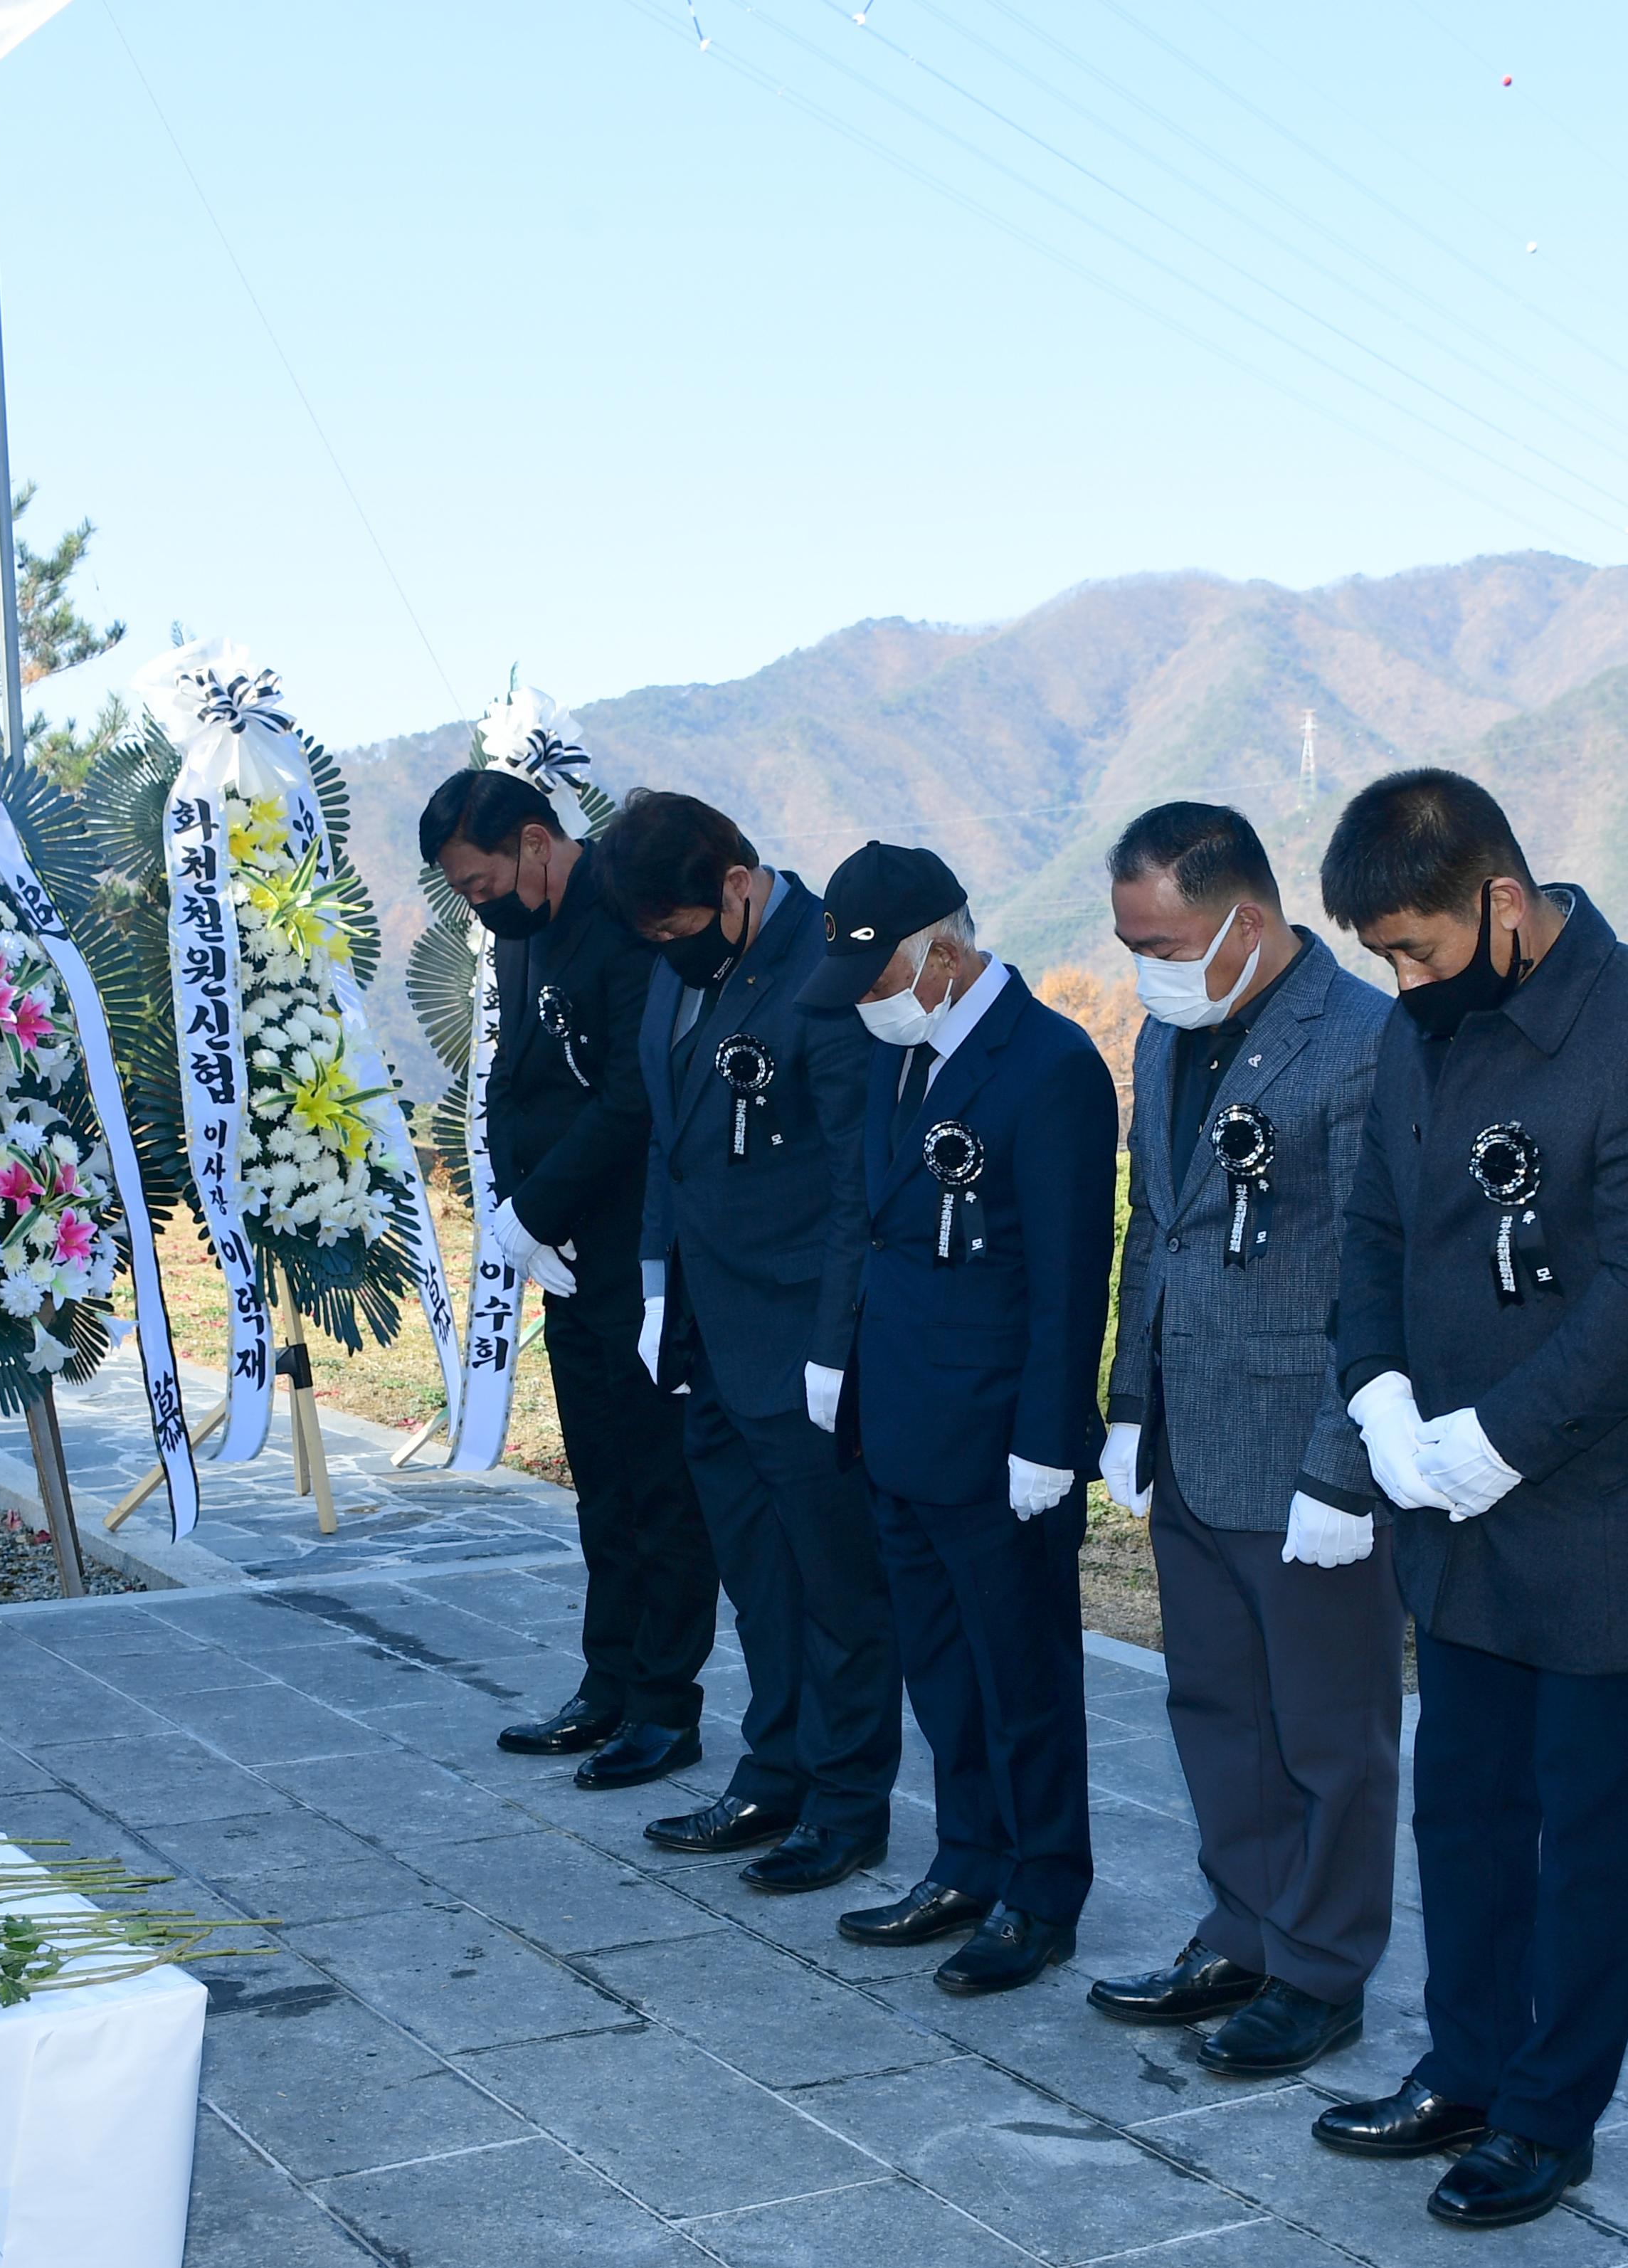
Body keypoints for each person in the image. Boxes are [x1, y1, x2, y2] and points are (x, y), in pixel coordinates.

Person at [1318, 768, 1628, 2228]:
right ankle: (1467, 2062)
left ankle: (1552, 2111)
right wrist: (1374, 1383)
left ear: (1502, 899)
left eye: (1420, 946)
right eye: (1382, 956)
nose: (1402, 978)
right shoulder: (1421, 1035)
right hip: (1450, 1509)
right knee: (1466, 1813)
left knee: (1593, 1837)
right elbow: (1372, 1222)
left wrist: (1495, 1438)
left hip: (1602, 1515)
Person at [1084, 802, 1400, 2075]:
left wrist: (1343, 1465)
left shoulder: (1364, 1044)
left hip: (1303, 1451)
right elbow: (1149, 1231)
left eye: (1162, 942)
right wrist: (1125, 1404)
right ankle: (1244, 1930)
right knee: (1217, 1705)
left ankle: (1322, 1971)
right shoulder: (1172, 1037)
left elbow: (1377, 1278)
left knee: (1327, 1728)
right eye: (1130, 945)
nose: (1145, 969)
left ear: (1247, 921)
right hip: (1192, 1439)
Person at [798, 843, 1117, 1994]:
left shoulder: (1049, 1065)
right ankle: (967, 1859)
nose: (867, 1008)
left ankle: (1041, 1891)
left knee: (1023, 1679)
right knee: (939, 1668)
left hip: (996, 1441)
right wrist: (837, 1361)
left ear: (940, 955)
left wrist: (1050, 1435)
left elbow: (1075, 1273)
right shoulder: (905, 1057)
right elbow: (865, 1217)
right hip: (896, 1423)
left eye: (878, 982)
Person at [599, 791, 904, 1892]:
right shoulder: (683, 971)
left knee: (836, 1582)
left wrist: (836, 1343)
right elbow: (667, 1148)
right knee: (757, 1574)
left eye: (678, 932)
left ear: (734, 884)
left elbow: (850, 1182)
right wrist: (649, 1288)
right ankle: (772, 1771)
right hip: (706, 1331)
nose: (667, 954)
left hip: (797, 1334)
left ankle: (847, 1801)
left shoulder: (825, 974)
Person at [423, 766, 717, 1791]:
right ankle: (608, 1679)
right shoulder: (525, 927)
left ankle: (664, 1705)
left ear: (536, 843)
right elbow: (514, 1078)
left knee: (656, 1483)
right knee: (599, 1479)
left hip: (630, 1244)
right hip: (561, 1250)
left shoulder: (625, 913)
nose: (479, 902)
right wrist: (514, 1205)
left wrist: (535, 1211)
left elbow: (636, 1093)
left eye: (480, 881)